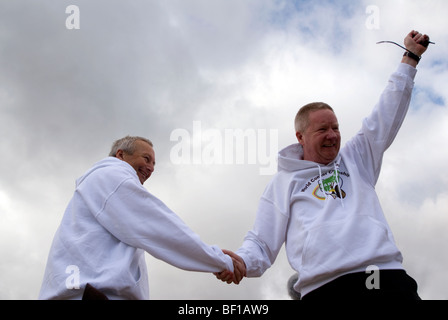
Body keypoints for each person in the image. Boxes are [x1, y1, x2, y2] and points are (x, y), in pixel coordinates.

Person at [216, 30, 431, 300]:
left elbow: (386, 112)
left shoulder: (357, 158)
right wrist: (242, 263)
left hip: (384, 278)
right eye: (322, 130)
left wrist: (409, 58)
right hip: (324, 289)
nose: (333, 135)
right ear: (300, 137)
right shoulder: (283, 183)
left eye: (336, 127)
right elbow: (261, 241)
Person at [39, 136, 238, 300]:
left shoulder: (100, 189)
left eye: (153, 163)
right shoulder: (112, 175)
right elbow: (160, 228)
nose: (151, 167)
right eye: (146, 158)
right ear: (121, 155)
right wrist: (220, 261)